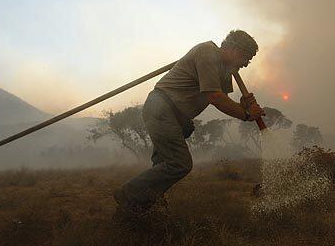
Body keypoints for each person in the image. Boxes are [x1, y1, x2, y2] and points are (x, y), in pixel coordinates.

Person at [113, 29, 265, 215]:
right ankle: (129, 195)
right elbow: (215, 97)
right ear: (234, 49)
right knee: (179, 164)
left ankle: (144, 209)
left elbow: (222, 97)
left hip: (176, 117)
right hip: (161, 108)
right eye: (246, 57)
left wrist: (243, 107)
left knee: (163, 165)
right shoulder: (207, 53)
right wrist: (246, 115)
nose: (246, 64)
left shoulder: (224, 71)